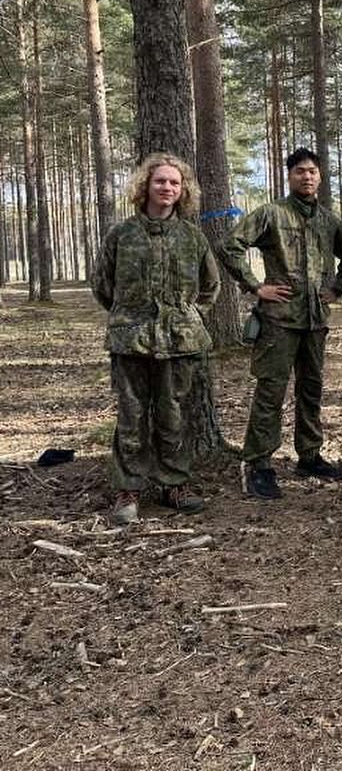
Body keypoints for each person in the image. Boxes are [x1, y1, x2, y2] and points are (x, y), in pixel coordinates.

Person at [92, 153, 220, 525]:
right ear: (145, 186)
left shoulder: (192, 237)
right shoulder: (122, 234)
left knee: (174, 415)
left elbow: (210, 286)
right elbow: (103, 285)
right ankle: (128, 490)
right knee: (131, 416)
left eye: (174, 183)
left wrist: (189, 318)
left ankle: (173, 485)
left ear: (183, 192)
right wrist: (129, 317)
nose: (167, 187)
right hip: (131, 340)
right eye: (160, 181)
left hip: (179, 342)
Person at [218, 147, 342, 499]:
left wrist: (336, 287)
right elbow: (230, 245)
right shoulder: (271, 214)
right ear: (289, 176)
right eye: (299, 172)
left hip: (314, 321)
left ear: (320, 177)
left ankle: (309, 455)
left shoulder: (328, 220)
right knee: (271, 391)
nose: (306, 177)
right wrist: (255, 286)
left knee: (311, 389)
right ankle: (259, 464)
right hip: (279, 321)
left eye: (312, 171)